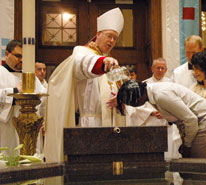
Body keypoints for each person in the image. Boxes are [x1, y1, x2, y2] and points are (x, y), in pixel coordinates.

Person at [44, 8, 125, 162]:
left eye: (115, 38)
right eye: (109, 36)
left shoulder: (111, 62)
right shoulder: (83, 52)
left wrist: (120, 100)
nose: (112, 41)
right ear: (98, 34)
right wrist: (102, 63)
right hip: (88, 124)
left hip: (111, 124)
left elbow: (124, 93)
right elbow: (82, 64)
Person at [117, 80, 206, 158]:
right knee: (193, 171)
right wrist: (184, 141)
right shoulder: (152, 93)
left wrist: (187, 145)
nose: (133, 106)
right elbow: (179, 120)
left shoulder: (160, 95)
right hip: (201, 123)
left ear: (137, 99)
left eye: (131, 103)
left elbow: (190, 120)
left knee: (203, 172)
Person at [126, 58, 181, 159]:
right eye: (157, 68)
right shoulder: (143, 85)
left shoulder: (172, 85)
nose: (160, 70)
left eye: (162, 68)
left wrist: (166, 112)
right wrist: (151, 112)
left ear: (166, 70)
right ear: (152, 69)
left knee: (168, 154)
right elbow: (137, 105)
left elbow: (178, 103)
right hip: (151, 122)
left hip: (167, 124)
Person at [0, 40, 45, 155]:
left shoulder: (31, 77)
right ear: (6, 54)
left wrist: (45, 118)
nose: (22, 60)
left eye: (24, 57)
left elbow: (43, 100)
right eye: (18, 56)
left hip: (30, 129)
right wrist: (15, 92)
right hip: (6, 129)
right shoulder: (1, 73)